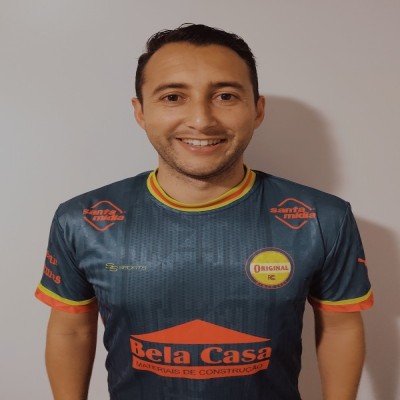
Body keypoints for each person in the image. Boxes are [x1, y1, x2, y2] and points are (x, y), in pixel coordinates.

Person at [35, 23, 373, 400]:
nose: (201, 120)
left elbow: (341, 328)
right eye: (173, 97)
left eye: (225, 96)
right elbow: (72, 330)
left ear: (257, 110)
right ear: (140, 112)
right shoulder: (83, 219)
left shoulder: (323, 218)